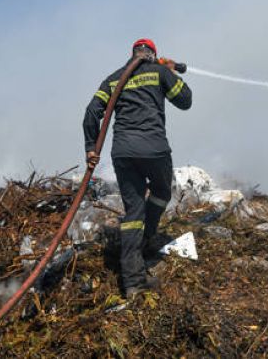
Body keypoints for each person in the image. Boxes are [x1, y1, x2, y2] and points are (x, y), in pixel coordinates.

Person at [82, 38, 192, 298]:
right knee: (162, 192)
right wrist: (171, 73)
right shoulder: (160, 72)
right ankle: (148, 236)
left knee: (133, 214)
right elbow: (185, 100)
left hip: (123, 153)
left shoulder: (113, 79)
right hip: (154, 149)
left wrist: (90, 147)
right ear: (152, 55)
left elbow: (91, 112)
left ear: (133, 54)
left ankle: (133, 284)